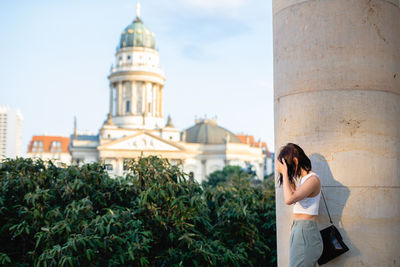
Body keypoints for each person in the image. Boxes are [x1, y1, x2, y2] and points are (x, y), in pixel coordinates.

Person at [275, 143, 323, 267]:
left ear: (295, 160)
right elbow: (291, 195)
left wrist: (285, 173)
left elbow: (289, 199)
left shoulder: (313, 180)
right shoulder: (304, 180)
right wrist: (287, 177)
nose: (289, 171)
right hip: (299, 229)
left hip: (305, 231)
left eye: (289, 167)